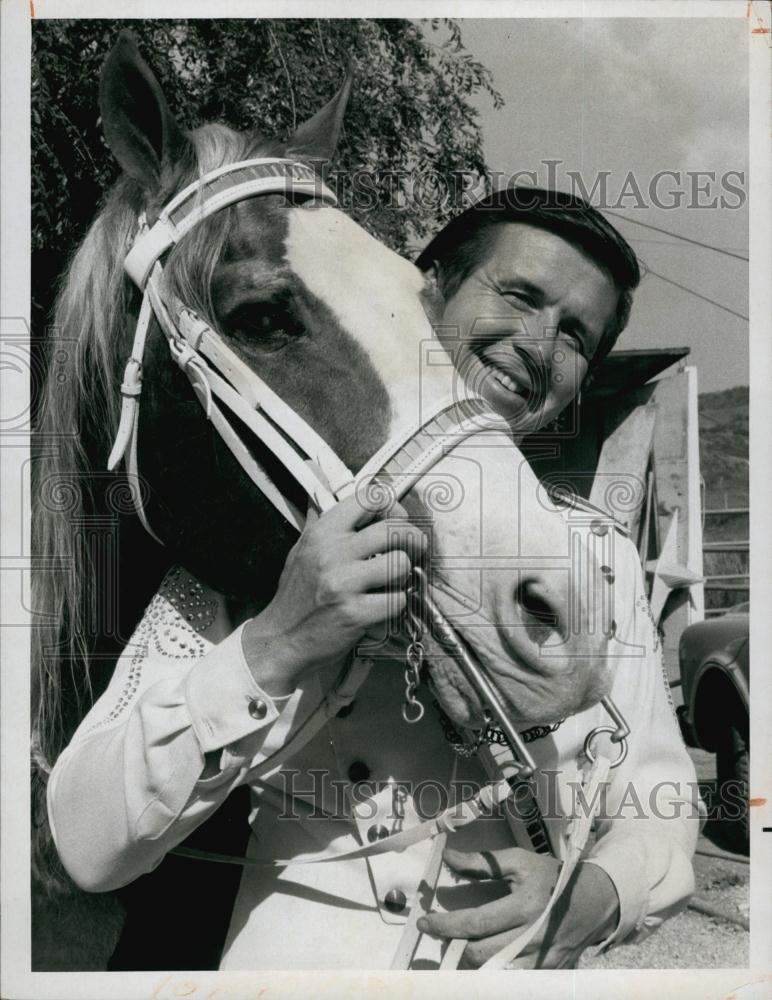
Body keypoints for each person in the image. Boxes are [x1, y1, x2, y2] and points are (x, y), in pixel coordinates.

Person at [46, 187, 698, 971]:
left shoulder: (599, 560)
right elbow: (87, 843)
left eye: (577, 336)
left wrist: (590, 897)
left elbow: (657, 806)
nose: (537, 341)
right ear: (422, 297)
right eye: (519, 295)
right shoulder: (263, 538)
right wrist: (278, 641)